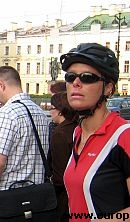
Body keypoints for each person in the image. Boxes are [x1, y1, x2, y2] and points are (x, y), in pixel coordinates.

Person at [60, 43, 130, 221]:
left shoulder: (125, 135)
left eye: (87, 77)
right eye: (70, 76)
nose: (76, 83)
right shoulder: (78, 133)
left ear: (108, 88)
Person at [0, 66, 51, 222]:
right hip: (37, 197)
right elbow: (27, 148)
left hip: (10, 199)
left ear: (1, 85)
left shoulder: (7, 112)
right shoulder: (39, 112)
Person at [46, 81, 78, 222]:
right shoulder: (76, 127)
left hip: (64, 197)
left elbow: (59, 173)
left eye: (51, 108)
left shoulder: (60, 133)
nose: (49, 112)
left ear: (59, 111)